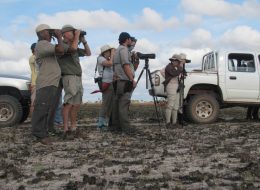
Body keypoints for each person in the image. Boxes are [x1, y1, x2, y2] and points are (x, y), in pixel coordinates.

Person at [32, 24, 64, 145]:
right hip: (47, 82)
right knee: (42, 108)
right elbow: (60, 50)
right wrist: (59, 37)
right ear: (42, 33)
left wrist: (57, 38)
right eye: (48, 32)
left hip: (51, 81)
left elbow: (60, 52)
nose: (51, 34)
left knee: (47, 108)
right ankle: (39, 134)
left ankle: (43, 132)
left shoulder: (46, 45)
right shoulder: (42, 44)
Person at [58, 24, 91, 138]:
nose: (74, 33)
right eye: (72, 32)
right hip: (69, 76)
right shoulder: (62, 45)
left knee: (76, 103)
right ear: (65, 34)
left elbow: (88, 53)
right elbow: (72, 49)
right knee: (68, 103)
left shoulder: (74, 45)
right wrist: (77, 36)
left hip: (77, 76)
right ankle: (65, 129)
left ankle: (73, 127)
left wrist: (84, 40)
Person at [109, 32, 136, 133]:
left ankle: (116, 127)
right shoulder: (124, 49)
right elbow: (125, 65)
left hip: (117, 81)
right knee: (124, 104)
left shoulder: (117, 50)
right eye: (130, 39)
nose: (131, 41)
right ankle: (126, 128)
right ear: (127, 39)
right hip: (124, 80)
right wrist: (132, 79)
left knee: (117, 104)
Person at [96, 45, 115, 129]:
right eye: (109, 52)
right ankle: (100, 124)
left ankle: (107, 122)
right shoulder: (100, 58)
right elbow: (110, 64)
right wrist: (113, 54)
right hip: (105, 83)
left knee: (110, 104)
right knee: (105, 103)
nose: (110, 53)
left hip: (110, 83)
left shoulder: (107, 59)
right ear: (105, 52)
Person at [163, 54, 183, 128]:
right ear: (174, 60)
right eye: (178, 61)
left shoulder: (176, 67)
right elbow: (174, 73)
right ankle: (168, 123)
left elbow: (178, 73)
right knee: (170, 105)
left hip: (176, 86)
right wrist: (181, 67)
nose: (178, 63)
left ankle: (174, 123)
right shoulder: (169, 67)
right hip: (170, 86)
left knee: (176, 106)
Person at [28, 43, 37, 115]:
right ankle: (33, 119)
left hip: (38, 81)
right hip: (35, 82)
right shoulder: (32, 58)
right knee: (33, 102)